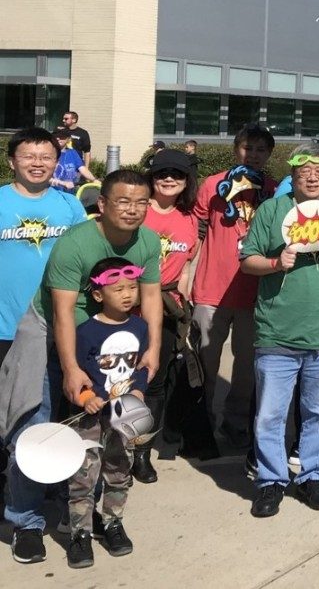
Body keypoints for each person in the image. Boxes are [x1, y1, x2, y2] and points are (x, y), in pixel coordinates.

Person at [8, 169, 163, 563]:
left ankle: (83, 514)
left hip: (106, 339)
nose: (132, 209)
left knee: (103, 431)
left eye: (141, 201)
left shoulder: (146, 241)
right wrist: (72, 369)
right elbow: (61, 313)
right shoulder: (74, 245)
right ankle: (26, 521)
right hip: (49, 331)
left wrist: (153, 349)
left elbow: (151, 297)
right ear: (103, 204)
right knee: (34, 423)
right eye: (123, 201)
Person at [240, 143, 319, 518]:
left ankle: (312, 475)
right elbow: (247, 261)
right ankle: (271, 481)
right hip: (277, 332)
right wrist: (277, 262)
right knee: (270, 415)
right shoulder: (271, 211)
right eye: (304, 171)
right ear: (292, 176)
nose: (312, 177)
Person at [0, 128, 87, 564]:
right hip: (4, 331)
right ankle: (23, 513)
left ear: (58, 162)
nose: (38, 162)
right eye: (29, 155)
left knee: (43, 424)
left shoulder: (68, 205)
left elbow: (86, 262)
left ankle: (29, 516)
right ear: (12, 160)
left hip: (54, 330)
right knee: (14, 424)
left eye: (46, 156)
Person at [191, 123, 276, 449]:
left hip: (255, 293)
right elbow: (197, 230)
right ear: (235, 149)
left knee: (246, 368)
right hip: (212, 289)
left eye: (260, 150)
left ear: (268, 154)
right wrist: (188, 275)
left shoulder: (273, 189)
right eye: (246, 148)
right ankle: (201, 423)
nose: (253, 155)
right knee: (205, 364)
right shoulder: (212, 185)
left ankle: (235, 422)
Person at [63, 257, 151, 568]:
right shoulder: (85, 331)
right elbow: (74, 375)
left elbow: (141, 367)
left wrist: (139, 388)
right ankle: (80, 534)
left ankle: (113, 523)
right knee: (83, 477)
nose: (128, 294)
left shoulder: (140, 326)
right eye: (118, 289)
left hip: (123, 415)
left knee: (119, 470)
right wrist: (85, 396)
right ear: (99, 295)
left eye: (132, 287)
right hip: (90, 417)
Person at [138, 148, 212, 479]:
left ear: (187, 181)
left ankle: (140, 451)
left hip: (167, 308)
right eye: (162, 173)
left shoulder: (189, 220)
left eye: (177, 174)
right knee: (119, 381)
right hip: (127, 304)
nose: (169, 179)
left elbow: (185, 267)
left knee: (154, 382)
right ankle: (111, 447)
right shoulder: (137, 211)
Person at [51, 128, 95, 193]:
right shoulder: (48, 154)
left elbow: (83, 169)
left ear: (68, 139)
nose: (58, 138)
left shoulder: (72, 153)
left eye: (61, 136)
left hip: (70, 194)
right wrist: (63, 183)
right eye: (55, 136)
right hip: (53, 194)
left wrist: (94, 180)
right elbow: (44, 178)